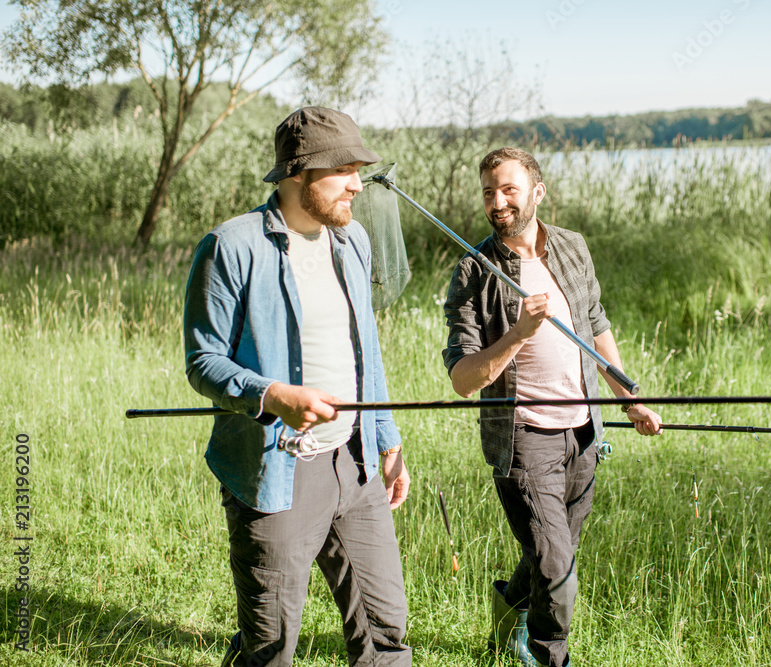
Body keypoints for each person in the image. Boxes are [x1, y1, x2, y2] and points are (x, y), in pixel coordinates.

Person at [184, 107, 411, 667]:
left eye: (360, 169)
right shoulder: (231, 246)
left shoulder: (352, 239)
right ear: (295, 174)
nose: (358, 184)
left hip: (355, 464)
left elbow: (368, 351)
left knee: (386, 631)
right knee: (272, 643)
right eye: (343, 171)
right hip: (276, 469)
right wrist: (275, 397)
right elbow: (202, 361)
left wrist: (386, 438)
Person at [442, 147, 662, 667]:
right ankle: (548, 656)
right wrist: (518, 334)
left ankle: (506, 604)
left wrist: (631, 400)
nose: (498, 202)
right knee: (559, 575)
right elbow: (462, 379)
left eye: (509, 189)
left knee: (549, 556)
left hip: (584, 432)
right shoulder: (473, 271)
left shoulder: (572, 247)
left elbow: (595, 326)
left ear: (537, 192)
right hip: (523, 440)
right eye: (489, 192)